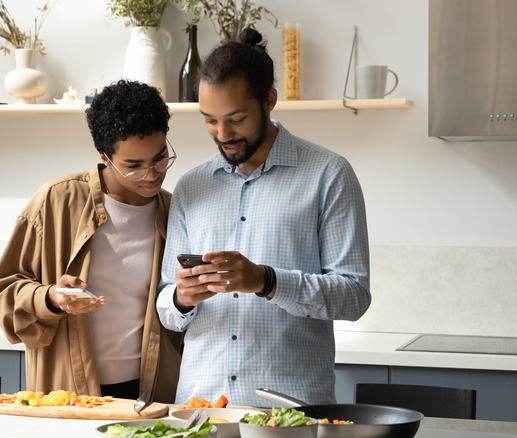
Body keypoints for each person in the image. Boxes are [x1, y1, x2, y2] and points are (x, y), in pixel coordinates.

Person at [156, 28, 372, 408]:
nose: (222, 134)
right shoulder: (190, 187)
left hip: (289, 411)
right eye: (209, 120)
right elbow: (166, 308)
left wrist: (267, 281)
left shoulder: (328, 174)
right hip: (200, 409)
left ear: (269, 100)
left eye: (236, 118)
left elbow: (353, 296)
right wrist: (181, 298)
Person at [0, 79, 183, 403]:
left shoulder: (176, 211)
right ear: (104, 157)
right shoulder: (55, 201)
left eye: (160, 158)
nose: (151, 174)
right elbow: (4, 294)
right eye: (133, 166)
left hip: (152, 394)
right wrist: (51, 297)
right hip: (69, 392)